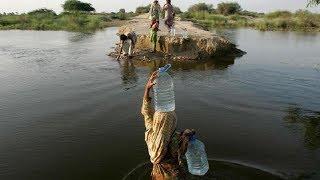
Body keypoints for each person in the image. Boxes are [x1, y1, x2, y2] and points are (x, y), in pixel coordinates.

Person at [141, 71, 195, 179]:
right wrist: (187, 135)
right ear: (172, 123)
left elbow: (146, 111)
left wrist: (147, 89)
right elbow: (183, 151)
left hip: (157, 174)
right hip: (173, 175)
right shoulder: (175, 139)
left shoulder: (151, 131)